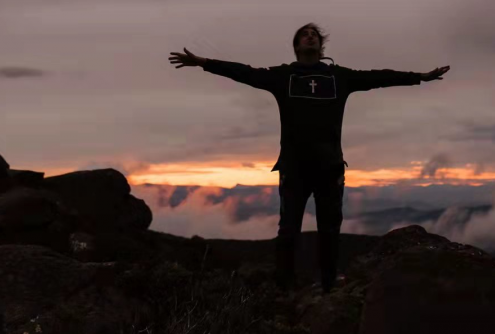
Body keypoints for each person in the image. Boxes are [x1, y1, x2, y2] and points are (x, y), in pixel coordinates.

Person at [168, 23, 450, 294]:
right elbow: (244, 72)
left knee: (329, 231)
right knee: (288, 231)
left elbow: (379, 77)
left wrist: (419, 77)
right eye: (304, 35)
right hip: (294, 168)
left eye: (314, 34)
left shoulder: (339, 77)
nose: (310, 37)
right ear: (296, 46)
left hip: (330, 169)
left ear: (321, 44)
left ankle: (328, 287)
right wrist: (203, 62)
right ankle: (284, 289)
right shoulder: (284, 76)